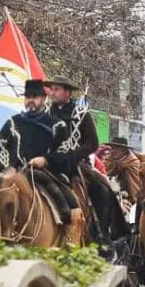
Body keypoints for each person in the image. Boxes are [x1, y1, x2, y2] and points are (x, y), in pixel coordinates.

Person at [0, 78, 85, 244]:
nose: (30, 100)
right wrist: (7, 169)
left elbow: (65, 154)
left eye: (35, 96)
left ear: (44, 98)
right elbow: (0, 148)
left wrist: (46, 160)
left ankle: (70, 239)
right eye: (27, 97)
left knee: (69, 202)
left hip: (44, 173)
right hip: (13, 175)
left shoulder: (57, 125)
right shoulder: (12, 123)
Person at [46, 75, 116, 243]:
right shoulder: (45, 114)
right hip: (49, 163)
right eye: (51, 89)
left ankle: (102, 235)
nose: (52, 93)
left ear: (68, 92)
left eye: (57, 89)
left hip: (77, 164)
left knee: (102, 190)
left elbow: (92, 143)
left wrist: (73, 155)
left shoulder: (82, 114)